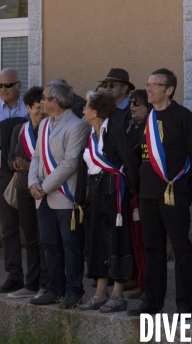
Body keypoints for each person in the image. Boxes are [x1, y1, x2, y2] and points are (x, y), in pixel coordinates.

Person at [129, 69, 192, 317]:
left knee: (182, 250)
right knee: (153, 250)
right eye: (148, 84)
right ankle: (153, 302)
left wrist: (186, 186)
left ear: (169, 89)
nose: (148, 89)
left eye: (154, 85)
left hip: (174, 192)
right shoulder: (148, 118)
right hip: (148, 193)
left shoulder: (182, 116)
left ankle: (185, 305)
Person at [28, 81, 90, 309]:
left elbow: (70, 163)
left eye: (44, 98)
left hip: (64, 195)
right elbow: (36, 157)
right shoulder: (44, 125)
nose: (41, 102)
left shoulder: (76, 126)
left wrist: (45, 186)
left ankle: (74, 290)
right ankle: (54, 288)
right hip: (42, 195)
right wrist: (33, 182)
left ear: (55, 101)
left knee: (70, 244)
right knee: (49, 243)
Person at [75, 91, 135, 313]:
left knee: (117, 242)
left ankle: (118, 295)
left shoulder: (116, 130)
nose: (83, 110)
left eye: (86, 107)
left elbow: (129, 161)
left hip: (114, 194)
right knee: (97, 242)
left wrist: (131, 193)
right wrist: (80, 198)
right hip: (95, 196)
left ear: (96, 111)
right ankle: (100, 292)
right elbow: (84, 168)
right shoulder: (91, 135)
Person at [7, 87, 48, 299]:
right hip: (23, 189)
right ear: (28, 108)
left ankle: (46, 284)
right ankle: (31, 284)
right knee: (30, 238)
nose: (42, 111)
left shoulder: (50, 129)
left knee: (45, 238)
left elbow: (51, 163)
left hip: (44, 189)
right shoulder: (20, 130)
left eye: (44, 107)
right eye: (38, 108)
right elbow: (9, 157)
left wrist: (29, 164)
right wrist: (15, 165)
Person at [0, 68, 29, 293]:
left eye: (7, 85)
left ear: (18, 86)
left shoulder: (29, 109)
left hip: (28, 173)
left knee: (33, 228)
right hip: (3, 174)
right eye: (0, 86)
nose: (3, 90)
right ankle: (14, 275)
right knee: (9, 228)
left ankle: (39, 277)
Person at [126, 89, 153, 300]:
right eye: (131, 103)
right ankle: (140, 281)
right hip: (133, 190)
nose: (132, 106)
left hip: (148, 191)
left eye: (137, 103)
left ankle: (149, 285)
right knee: (136, 240)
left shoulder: (151, 128)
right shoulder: (130, 128)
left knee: (146, 240)